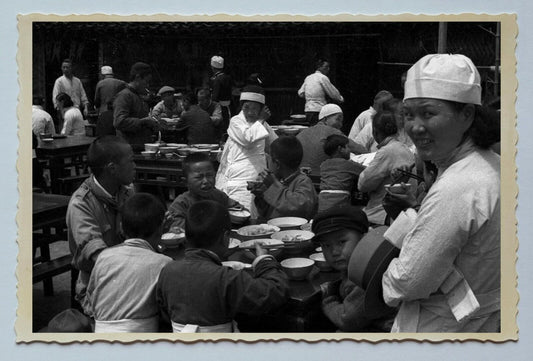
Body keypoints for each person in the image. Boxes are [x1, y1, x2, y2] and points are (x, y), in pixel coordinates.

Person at [382, 54, 501, 332]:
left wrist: (386, 277)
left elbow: (407, 282)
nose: (415, 127)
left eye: (428, 113)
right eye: (408, 115)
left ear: (467, 115)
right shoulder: (493, 165)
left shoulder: (457, 186)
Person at [156, 200, 289, 332]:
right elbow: (275, 292)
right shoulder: (226, 278)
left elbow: (164, 313)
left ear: (186, 236)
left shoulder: (167, 271)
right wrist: (263, 260)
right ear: (225, 237)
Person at [66, 135, 136, 316]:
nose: (135, 166)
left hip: (129, 275)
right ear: (112, 169)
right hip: (98, 287)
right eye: (131, 161)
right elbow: (98, 256)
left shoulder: (127, 191)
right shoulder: (81, 204)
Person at [87, 193, 172, 332]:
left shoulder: (104, 257)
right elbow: (169, 310)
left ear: (121, 228)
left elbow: (92, 298)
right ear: (161, 228)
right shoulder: (164, 263)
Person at [312, 206, 395, 331]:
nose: (334, 252)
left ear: (364, 238)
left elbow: (347, 320)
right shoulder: (354, 266)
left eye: (341, 242)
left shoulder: (369, 273)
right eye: (326, 245)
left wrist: (329, 299)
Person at [215, 85, 278, 217]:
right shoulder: (236, 121)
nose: (250, 112)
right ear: (241, 107)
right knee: (236, 216)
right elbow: (247, 139)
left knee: (253, 216)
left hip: (256, 179)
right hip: (237, 180)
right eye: (246, 108)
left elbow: (275, 146)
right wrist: (261, 119)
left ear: (261, 109)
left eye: (255, 108)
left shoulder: (263, 125)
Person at [357, 109, 415, 225]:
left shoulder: (387, 151)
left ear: (375, 132)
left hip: (381, 214)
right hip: (402, 212)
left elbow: (362, 185)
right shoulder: (405, 149)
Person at [167, 152, 244, 231]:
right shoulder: (181, 204)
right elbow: (177, 227)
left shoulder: (218, 196)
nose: (206, 181)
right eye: (199, 177)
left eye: (210, 175)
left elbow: (237, 208)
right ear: (185, 181)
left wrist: (239, 214)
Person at [250, 136, 318, 220]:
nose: (268, 162)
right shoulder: (279, 180)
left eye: (269, 158)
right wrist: (261, 196)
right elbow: (268, 212)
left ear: (277, 164)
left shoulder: (303, 181)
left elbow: (299, 207)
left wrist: (274, 185)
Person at [296, 104, 366, 176]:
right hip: (323, 178)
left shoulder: (301, 133)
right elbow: (361, 150)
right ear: (325, 119)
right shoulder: (333, 132)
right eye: (338, 119)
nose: (340, 124)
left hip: (301, 177)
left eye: (341, 121)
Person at [113, 62, 159, 152]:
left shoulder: (138, 96)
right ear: (137, 77)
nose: (147, 85)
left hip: (139, 147)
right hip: (129, 149)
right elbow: (119, 122)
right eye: (146, 81)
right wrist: (143, 121)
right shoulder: (124, 95)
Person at [318, 134, 365, 213]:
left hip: (322, 203)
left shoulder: (323, 164)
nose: (350, 150)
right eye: (347, 147)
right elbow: (367, 172)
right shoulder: (348, 164)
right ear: (340, 149)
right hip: (339, 203)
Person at [297, 59, 344, 125]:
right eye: (326, 67)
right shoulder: (322, 78)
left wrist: (310, 95)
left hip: (308, 110)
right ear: (319, 67)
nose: (328, 69)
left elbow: (301, 93)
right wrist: (340, 99)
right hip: (319, 110)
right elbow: (333, 93)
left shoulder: (308, 77)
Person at [52, 58, 90, 127]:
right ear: (61, 68)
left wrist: (86, 108)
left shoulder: (77, 81)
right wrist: (60, 112)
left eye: (67, 67)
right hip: (64, 111)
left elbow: (83, 95)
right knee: (65, 132)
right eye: (64, 67)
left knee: (77, 130)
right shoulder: (59, 81)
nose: (65, 69)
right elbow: (56, 98)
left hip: (77, 110)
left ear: (71, 68)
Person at [209, 55, 233, 134]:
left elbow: (215, 96)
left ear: (212, 67)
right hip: (229, 107)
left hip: (218, 108)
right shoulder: (228, 77)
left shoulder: (216, 79)